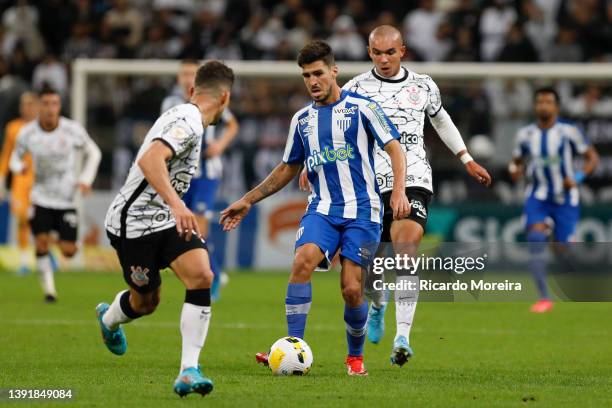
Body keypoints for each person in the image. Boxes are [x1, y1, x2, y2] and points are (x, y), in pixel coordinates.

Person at [299, 25, 491, 366]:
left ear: (403, 50)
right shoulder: (356, 87)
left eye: (390, 52)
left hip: (413, 177)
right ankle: (377, 304)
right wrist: (312, 164)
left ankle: (402, 336)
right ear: (369, 52)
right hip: (368, 186)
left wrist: (467, 158)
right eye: (377, 53)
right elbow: (329, 123)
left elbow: (441, 121)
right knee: (369, 270)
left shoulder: (423, 85)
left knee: (405, 250)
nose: (384, 59)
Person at [221, 40, 409, 376]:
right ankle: (294, 349)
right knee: (302, 260)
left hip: (363, 211)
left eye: (318, 73)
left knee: (352, 289)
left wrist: (398, 192)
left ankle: (355, 359)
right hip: (322, 208)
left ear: (334, 71)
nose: (312, 81)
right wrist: (248, 199)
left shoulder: (362, 108)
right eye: (306, 75)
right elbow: (286, 168)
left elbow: (395, 149)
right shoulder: (302, 120)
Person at [99, 61, 234, 397]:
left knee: (202, 276)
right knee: (146, 303)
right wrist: (178, 204)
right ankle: (109, 320)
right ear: (226, 98)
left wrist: (173, 209)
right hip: (133, 225)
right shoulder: (187, 122)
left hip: (166, 219)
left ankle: (189, 370)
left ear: (192, 89)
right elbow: (150, 159)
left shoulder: (189, 118)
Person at [509, 87, 598, 313]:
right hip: (538, 195)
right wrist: (515, 170)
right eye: (539, 102)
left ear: (556, 107)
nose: (543, 106)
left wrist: (577, 177)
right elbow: (516, 161)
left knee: (563, 248)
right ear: (534, 106)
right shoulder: (526, 134)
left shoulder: (569, 132)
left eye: (548, 102)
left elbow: (591, 157)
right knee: (535, 237)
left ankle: (555, 237)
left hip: (566, 198)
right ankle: (544, 298)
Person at [9, 88, 101, 302]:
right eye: (46, 103)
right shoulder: (27, 133)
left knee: (69, 251)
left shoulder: (72, 130)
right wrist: (18, 168)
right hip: (40, 197)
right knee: (40, 243)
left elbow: (94, 152)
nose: (50, 109)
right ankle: (50, 291)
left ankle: (54, 240)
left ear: (59, 107)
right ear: (39, 106)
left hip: (66, 198)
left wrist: (86, 179)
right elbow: (15, 157)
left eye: (55, 104)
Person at [162, 59, 239, 301]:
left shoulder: (212, 99)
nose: (186, 78)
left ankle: (212, 276)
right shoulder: (171, 103)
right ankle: (214, 272)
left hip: (207, 173)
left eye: (190, 74)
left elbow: (232, 124)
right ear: (178, 78)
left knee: (200, 227)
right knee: (187, 228)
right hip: (183, 173)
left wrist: (220, 145)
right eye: (183, 74)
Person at [0, 91, 38, 274]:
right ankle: (24, 261)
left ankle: (48, 255)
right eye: (24, 104)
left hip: (41, 181)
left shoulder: (44, 127)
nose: (27, 108)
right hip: (20, 180)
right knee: (23, 218)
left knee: (42, 221)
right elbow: (7, 155)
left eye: (30, 104)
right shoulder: (13, 128)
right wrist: (1, 180)